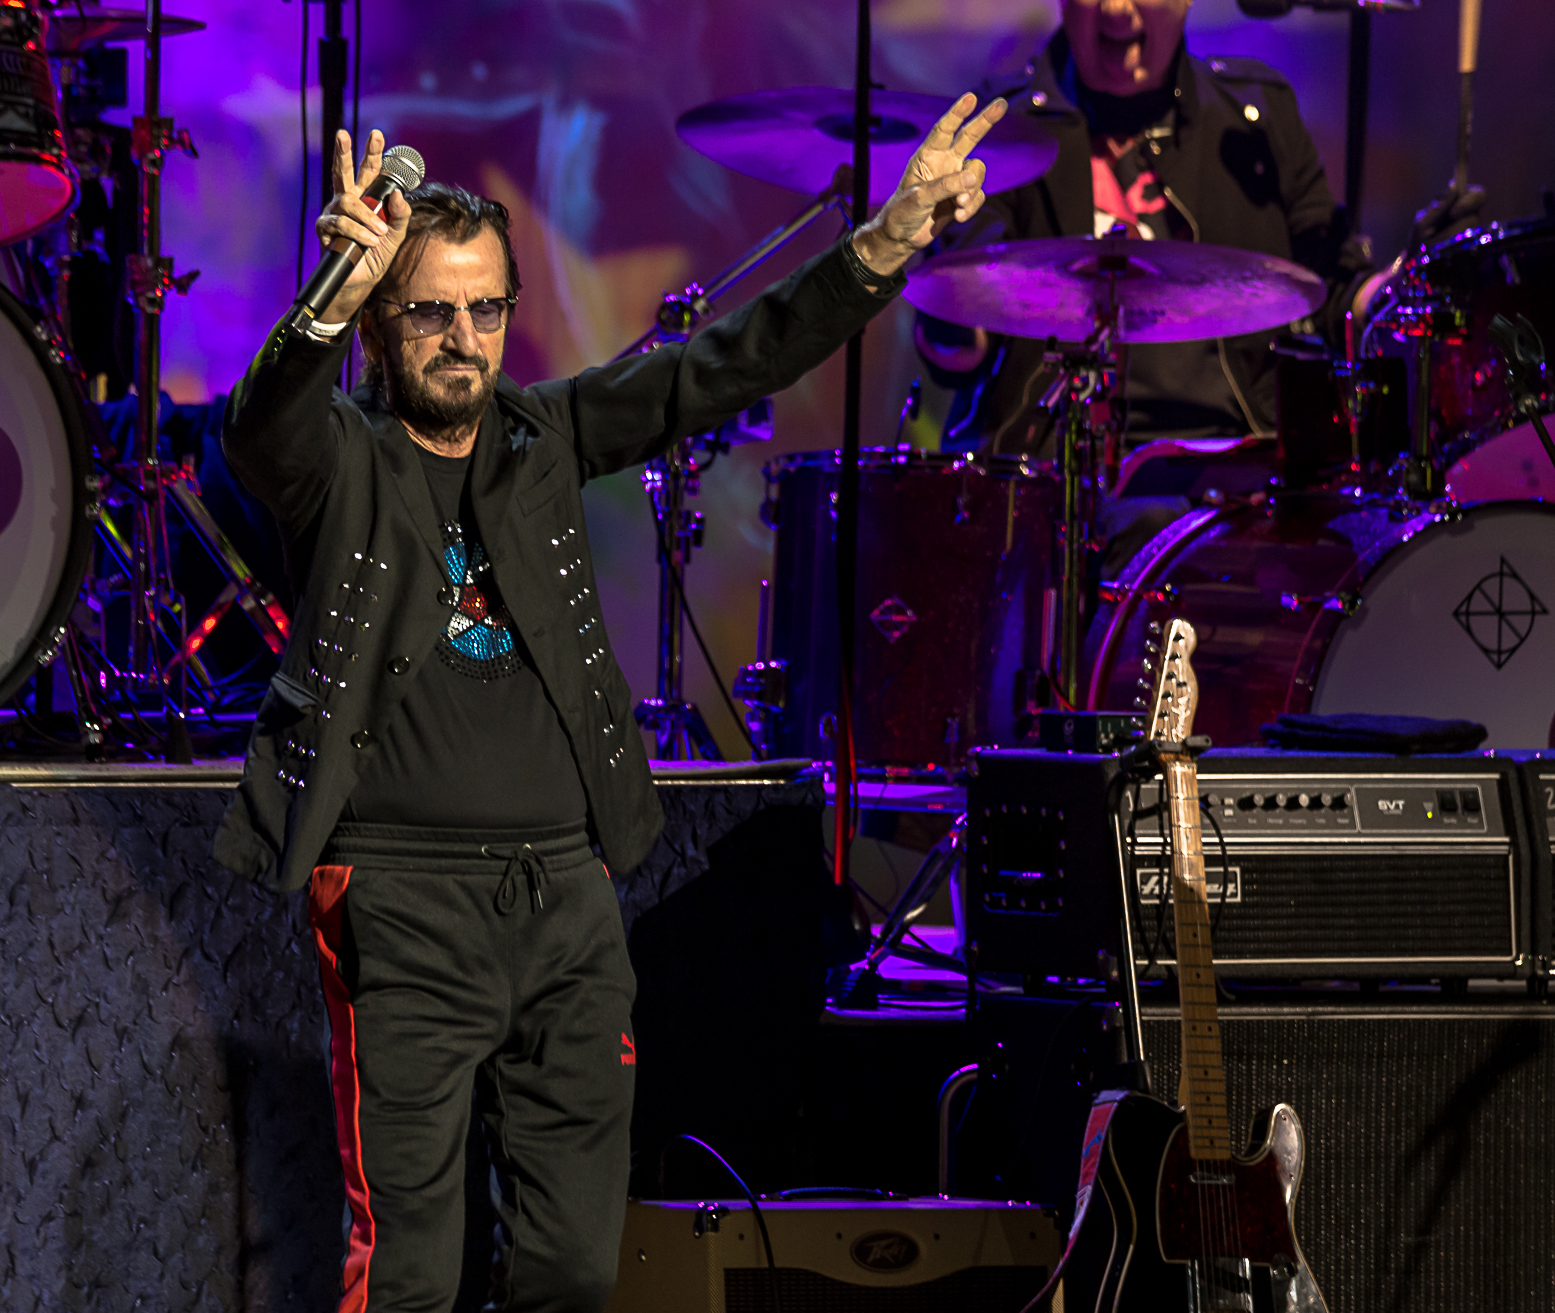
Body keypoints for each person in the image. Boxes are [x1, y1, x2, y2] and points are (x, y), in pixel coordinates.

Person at [210, 99, 1003, 1313]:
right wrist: (324, 299)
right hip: (401, 899)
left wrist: (882, 247)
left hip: (566, 904)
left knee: (574, 1269)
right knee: (409, 1268)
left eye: (485, 310)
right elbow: (258, 430)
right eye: (429, 312)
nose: (462, 339)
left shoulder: (545, 435)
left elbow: (727, 362)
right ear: (379, 324)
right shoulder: (340, 460)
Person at [917, 0, 1392, 459]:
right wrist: (943, 308)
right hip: (1048, 462)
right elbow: (962, 340)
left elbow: (1335, 289)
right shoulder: (1002, 128)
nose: (1116, 5)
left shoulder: (1255, 118)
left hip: (1229, 464)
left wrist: (1406, 286)